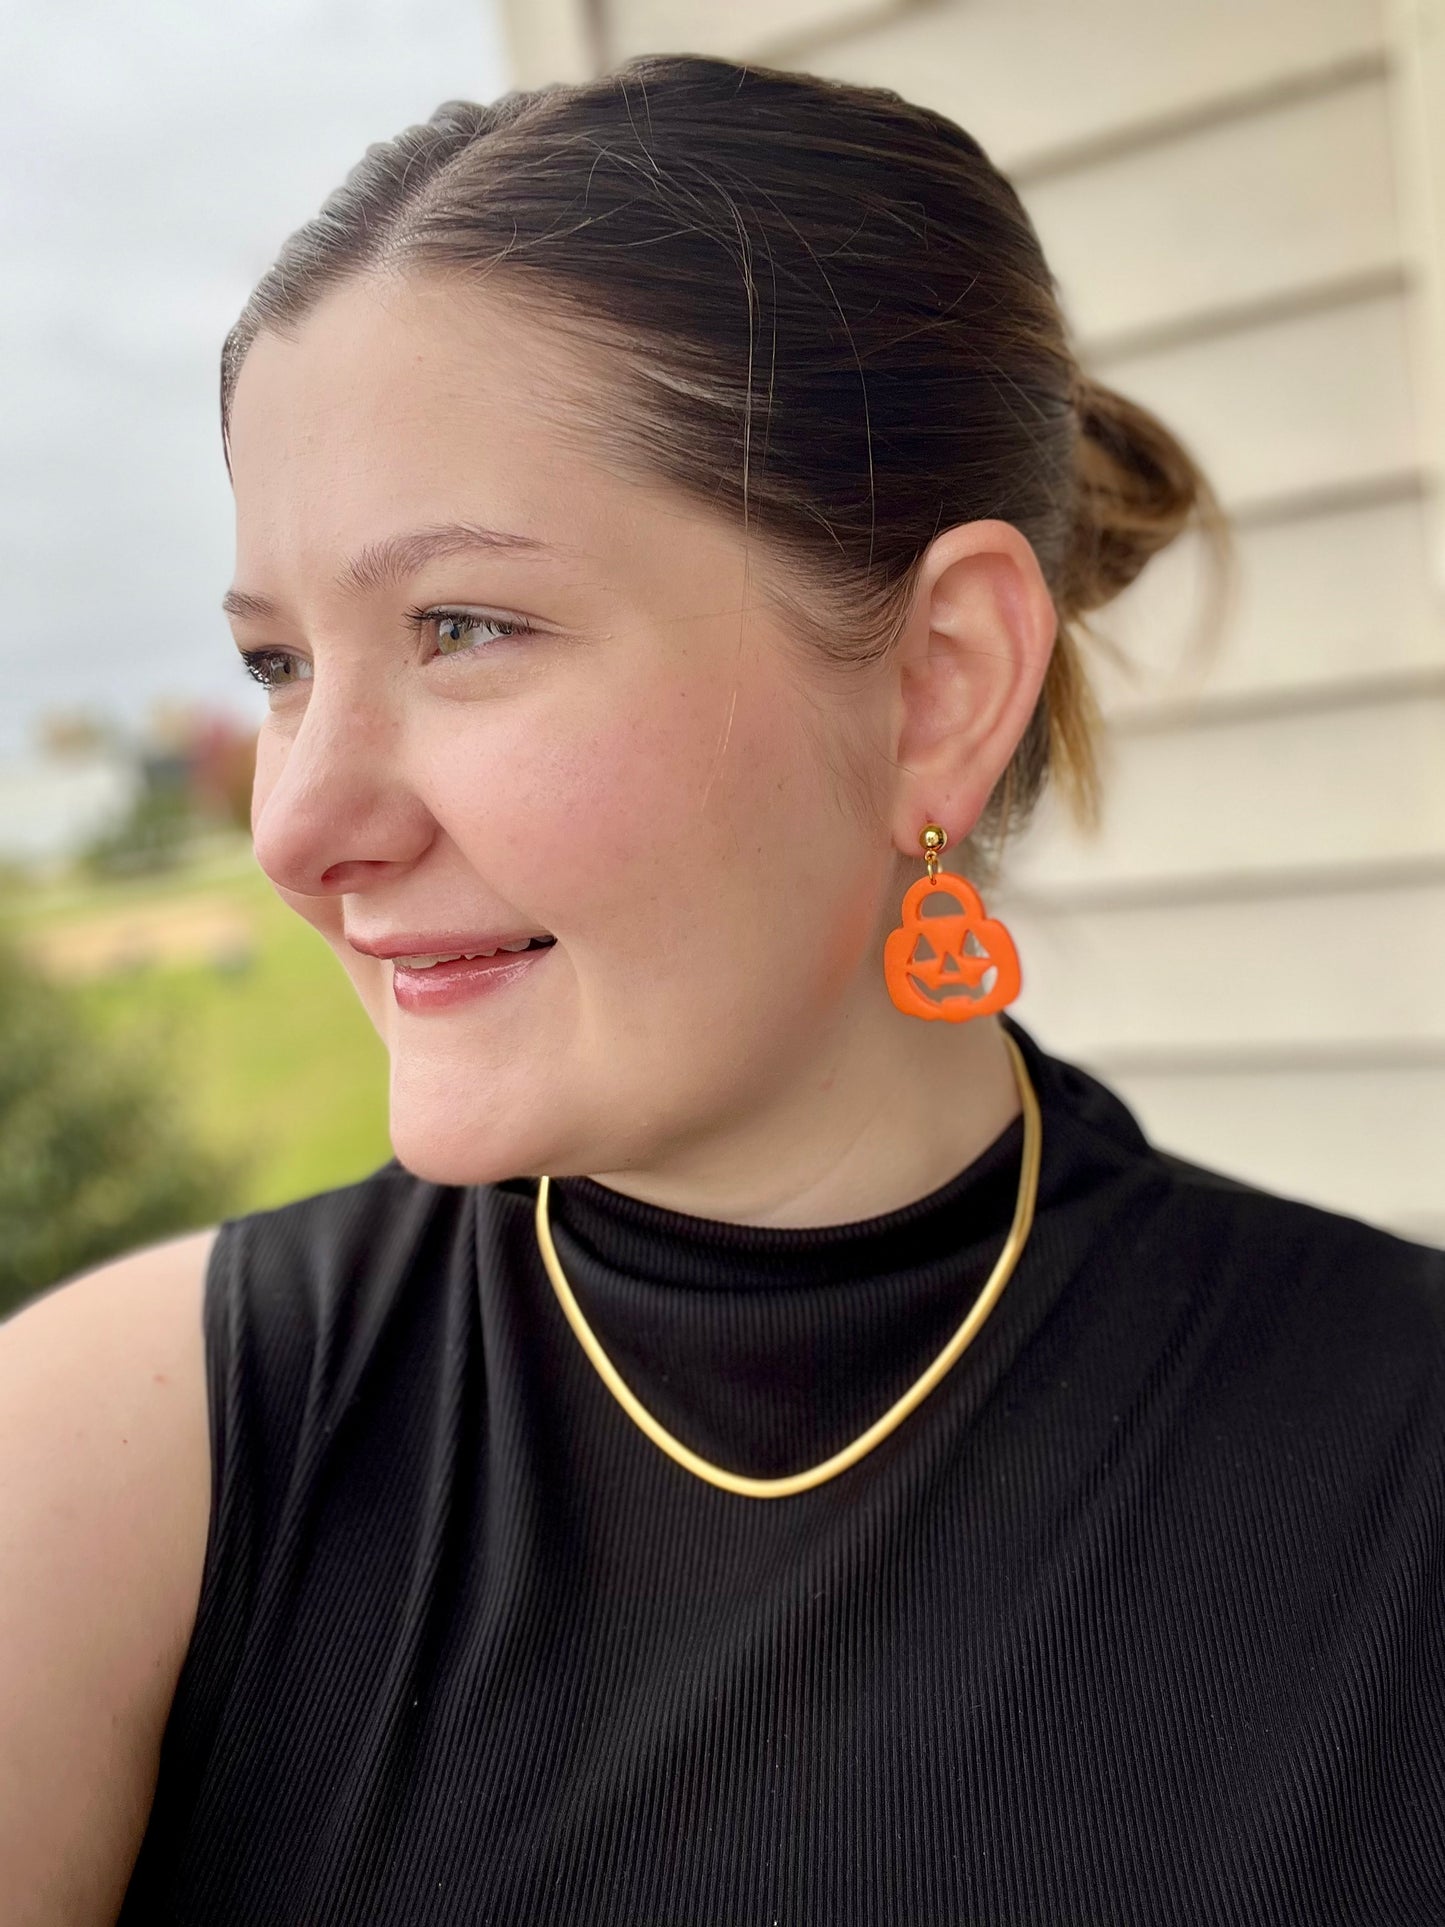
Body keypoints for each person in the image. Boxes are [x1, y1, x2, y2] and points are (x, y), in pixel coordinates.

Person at [2, 51, 1441, 1926]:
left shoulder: (1400, 1473)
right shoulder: (108, 1471)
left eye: (462, 627)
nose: (299, 827)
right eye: (280, 665)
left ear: (938, 681)